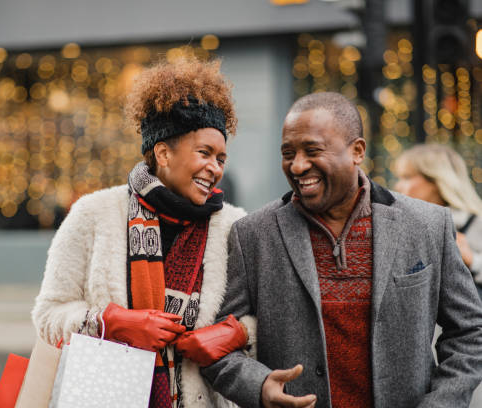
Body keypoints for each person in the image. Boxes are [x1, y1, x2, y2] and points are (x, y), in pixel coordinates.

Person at [202, 92, 482, 408]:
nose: (297, 165)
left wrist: (440, 404)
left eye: (312, 151)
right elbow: (217, 344)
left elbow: (471, 332)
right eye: (288, 153)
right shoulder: (253, 234)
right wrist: (259, 385)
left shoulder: (428, 225)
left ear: (357, 151)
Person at [32, 57, 252, 408]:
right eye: (204, 153)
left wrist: (236, 333)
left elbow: (260, 316)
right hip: (107, 396)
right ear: (163, 153)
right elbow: (48, 316)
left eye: (221, 158)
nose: (214, 168)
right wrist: (113, 321)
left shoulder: (234, 227)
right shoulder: (94, 214)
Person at [394, 143, 482, 299]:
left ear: (436, 180)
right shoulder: (400, 226)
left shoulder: (475, 222)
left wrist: (472, 261)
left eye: (407, 177)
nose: (398, 186)